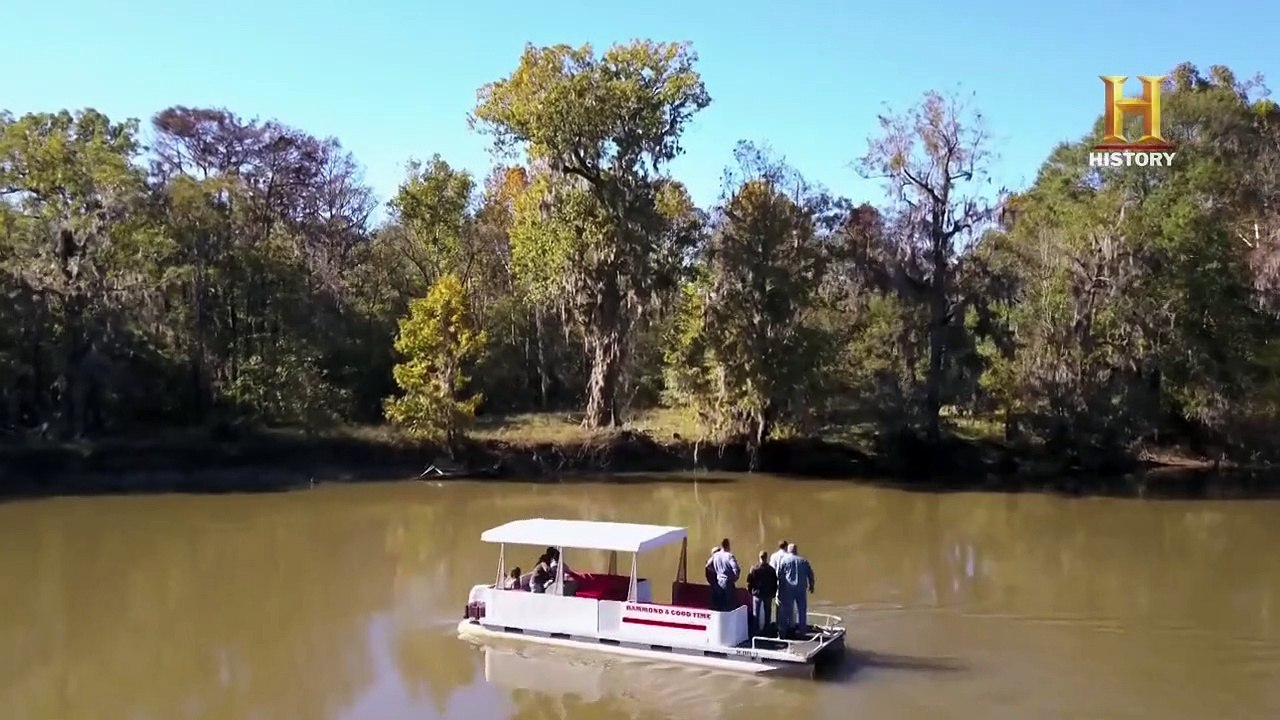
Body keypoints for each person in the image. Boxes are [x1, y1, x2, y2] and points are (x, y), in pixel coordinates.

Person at [775, 543, 815, 638]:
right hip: (801, 589)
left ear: (788, 551)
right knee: (802, 610)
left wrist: (779, 587)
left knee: (785, 611)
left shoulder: (783, 560)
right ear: (796, 550)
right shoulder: (803, 560)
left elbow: (779, 574)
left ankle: (784, 632)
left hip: (788, 589)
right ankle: (802, 632)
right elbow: (810, 573)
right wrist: (811, 585)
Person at [746, 550, 778, 635]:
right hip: (768, 594)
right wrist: (774, 593)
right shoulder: (771, 569)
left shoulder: (754, 568)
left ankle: (755, 630)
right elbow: (775, 582)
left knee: (756, 613)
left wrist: (750, 591)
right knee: (768, 612)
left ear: (759, 557)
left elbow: (749, 581)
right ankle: (767, 630)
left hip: (757, 594)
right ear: (766, 558)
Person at [704, 538, 741, 611]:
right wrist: (735, 578)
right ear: (728, 546)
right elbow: (736, 569)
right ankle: (729, 620)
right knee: (729, 604)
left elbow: (708, 566)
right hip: (728, 582)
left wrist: (716, 571)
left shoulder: (716, 555)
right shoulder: (729, 556)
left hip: (719, 581)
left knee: (720, 603)